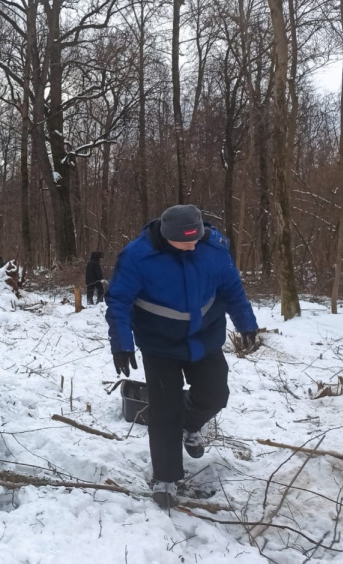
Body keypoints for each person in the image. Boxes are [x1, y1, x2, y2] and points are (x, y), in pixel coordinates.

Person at [105, 204, 258, 509]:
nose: (192, 244)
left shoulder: (213, 249)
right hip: (159, 344)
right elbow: (119, 300)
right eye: (185, 240)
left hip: (205, 338)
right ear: (166, 235)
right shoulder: (138, 256)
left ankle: (190, 424)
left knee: (216, 393)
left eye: (196, 237)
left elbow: (232, 289)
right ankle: (166, 477)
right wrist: (121, 343)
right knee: (164, 411)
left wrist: (247, 324)